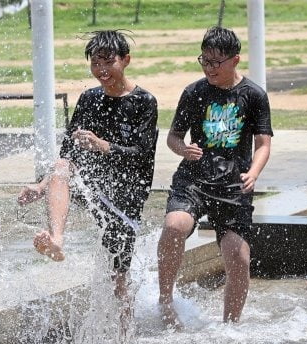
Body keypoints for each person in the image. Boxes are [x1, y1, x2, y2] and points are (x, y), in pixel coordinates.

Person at [18, 30, 159, 318]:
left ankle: (125, 339)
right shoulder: (89, 99)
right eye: (95, 64)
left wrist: (102, 145)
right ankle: (57, 239)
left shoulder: (145, 101)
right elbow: (68, 153)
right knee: (60, 168)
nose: (101, 71)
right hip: (93, 187)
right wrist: (42, 185)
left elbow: (143, 156)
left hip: (125, 195)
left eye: (108, 62)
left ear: (126, 60)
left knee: (118, 276)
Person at [157, 26, 273, 324]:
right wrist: (183, 150)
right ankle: (165, 300)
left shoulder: (254, 95)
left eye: (215, 62)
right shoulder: (194, 92)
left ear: (234, 60)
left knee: (239, 257)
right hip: (194, 179)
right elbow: (172, 138)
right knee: (174, 226)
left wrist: (254, 172)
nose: (209, 68)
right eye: (204, 61)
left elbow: (263, 144)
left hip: (234, 185)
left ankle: (230, 325)